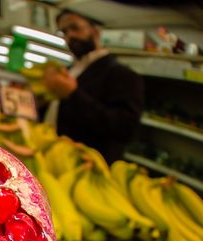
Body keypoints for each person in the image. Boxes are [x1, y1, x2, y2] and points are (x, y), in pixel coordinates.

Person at [41, 9, 144, 164]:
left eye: (75, 28)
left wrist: (73, 94)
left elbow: (125, 128)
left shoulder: (122, 74)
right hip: (54, 158)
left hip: (86, 167)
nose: (70, 36)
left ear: (95, 31)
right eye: (65, 32)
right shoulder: (69, 70)